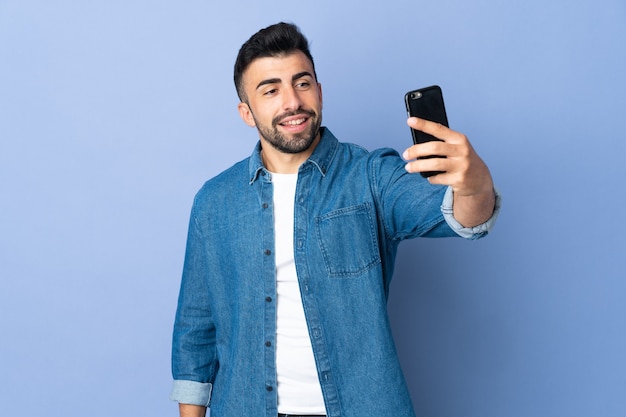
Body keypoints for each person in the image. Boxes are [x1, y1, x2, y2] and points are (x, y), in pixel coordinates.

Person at [170, 22, 500, 417]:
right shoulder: (214, 202)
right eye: (271, 90)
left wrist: (476, 183)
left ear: (319, 92)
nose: (292, 101)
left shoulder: (372, 175)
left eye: (302, 83)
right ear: (247, 112)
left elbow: (461, 218)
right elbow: (196, 329)